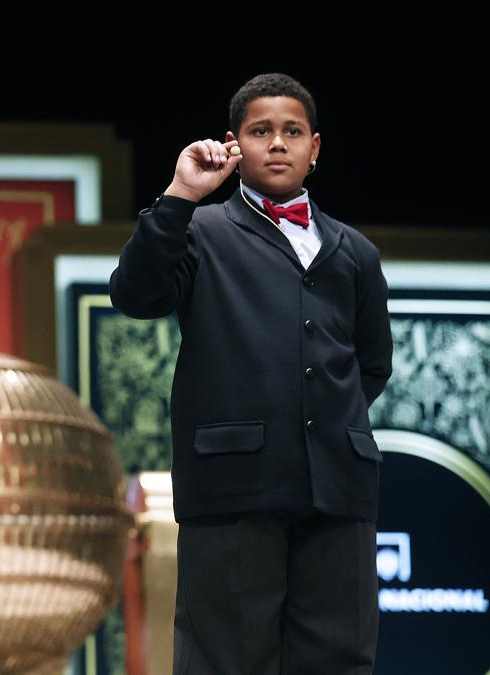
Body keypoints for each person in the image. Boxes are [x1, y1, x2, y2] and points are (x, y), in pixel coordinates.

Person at [108, 72, 393, 674]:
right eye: (260, 131)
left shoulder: (355, 252)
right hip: (233, 484)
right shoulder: (198, 232)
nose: (278, 143)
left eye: (293, 131)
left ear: (316, 147)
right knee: (227, 658)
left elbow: (372, 363)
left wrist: (321, 427)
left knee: (339, 658)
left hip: (337, 490)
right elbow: (134, 294)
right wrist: (182, 193)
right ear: (235, 147)